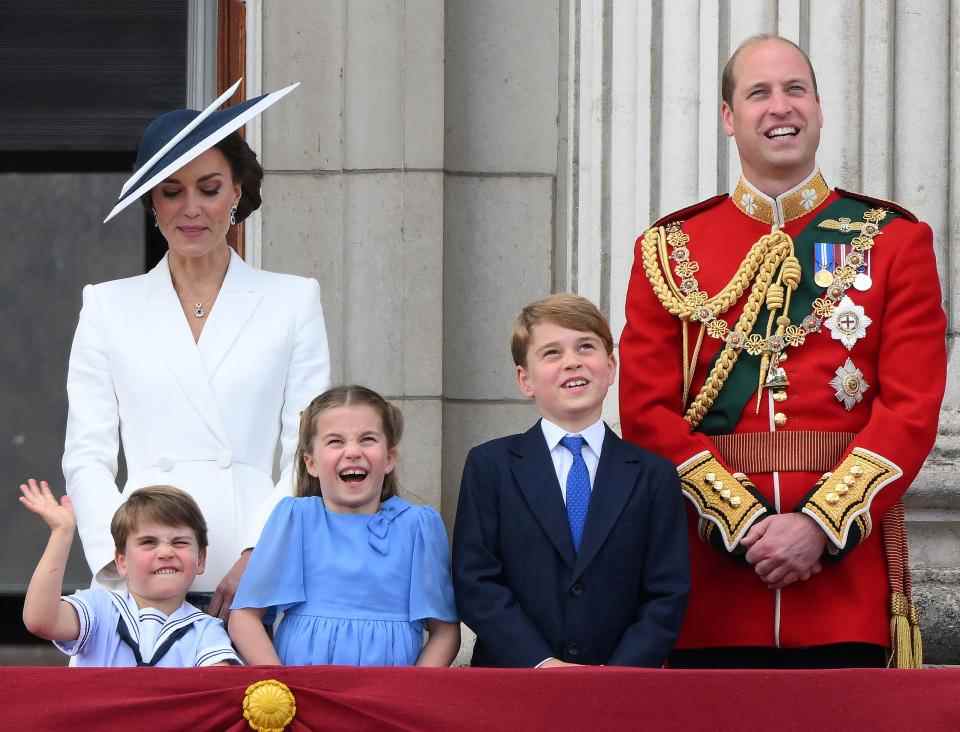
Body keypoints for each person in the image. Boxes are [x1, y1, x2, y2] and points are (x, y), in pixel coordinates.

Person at [619, 34, 947, 668]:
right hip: (711, 589)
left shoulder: (894, 242)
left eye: (795, 89)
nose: (780, 107)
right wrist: (742, 525)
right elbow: (646, 413)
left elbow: (910, 410)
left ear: (819, 108)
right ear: (727, 117)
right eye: (759, 93)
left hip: (842, 587)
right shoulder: (669, 248)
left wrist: (819, 527)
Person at [62, 79, 330, 619]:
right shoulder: (107, 306)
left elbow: (309, 447)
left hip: (252, 569)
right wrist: (124, 558)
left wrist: (262, 551)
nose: (191, 209)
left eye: (208, 189)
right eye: (172, 190)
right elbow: (86, 456)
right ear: (150, 201)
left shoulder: (292, 299)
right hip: (138, 570)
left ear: (236, 192)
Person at [452, 294, 689, 668]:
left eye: (586, 347)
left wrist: (616, 674)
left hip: (619, 691)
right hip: (514, 683)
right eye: (552, 353)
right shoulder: (490, 466)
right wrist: (540, 663)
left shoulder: (653, 475)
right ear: (524, 379)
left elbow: (667, 592)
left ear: (610, 368)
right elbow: (476, 581)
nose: (572, 362)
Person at [228, 385, 460, 666]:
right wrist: (280, 684)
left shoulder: (418, 526)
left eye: (367, 439)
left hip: (389, 697)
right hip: (305, 693)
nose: (352, 451)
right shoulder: (296, 519)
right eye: (335, 441)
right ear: (311, 463)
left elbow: (444, 631)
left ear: (389, 458)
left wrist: (412, 693)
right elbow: (245, 617)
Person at [20, 479, 239, 667]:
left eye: (179, 542)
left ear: (200, 560)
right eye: (148, 542)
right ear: (122, 561)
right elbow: (41, 621)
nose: (165, 552)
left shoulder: (206, 630)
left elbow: (215, 692)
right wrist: (62, 532)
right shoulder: (99, 609)